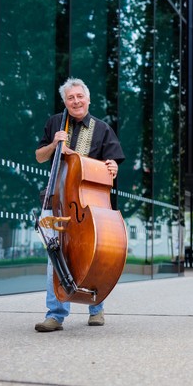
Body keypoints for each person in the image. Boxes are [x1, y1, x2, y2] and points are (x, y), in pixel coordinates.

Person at [34, 77, 125, 332]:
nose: (76, 101)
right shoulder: (55, 123)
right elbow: (39, 156)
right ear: (65, 102)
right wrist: (54, 144)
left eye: (79, 96)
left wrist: (112, 167)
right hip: (56, 201)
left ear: (88, 99)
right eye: (70, 98)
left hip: (88, 207)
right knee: (55, 255)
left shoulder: (102, 129)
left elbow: (111, 165)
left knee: (94, 255)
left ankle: (96, 307)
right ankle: (55, 315)